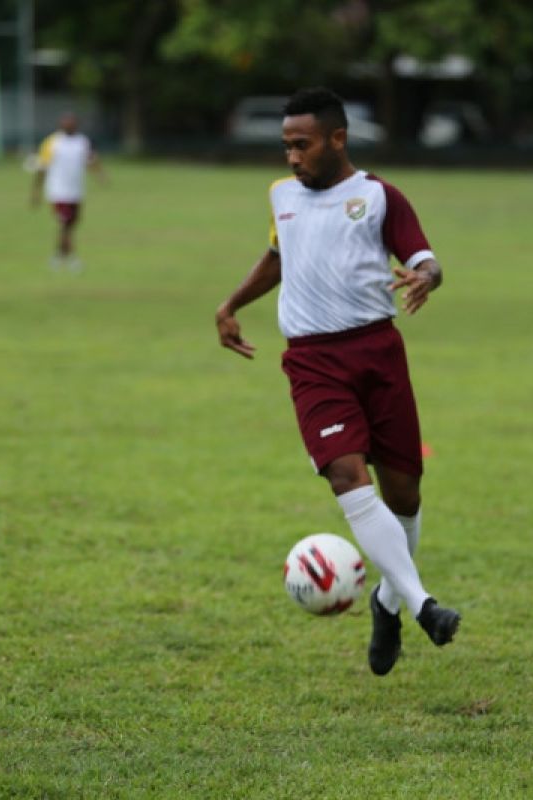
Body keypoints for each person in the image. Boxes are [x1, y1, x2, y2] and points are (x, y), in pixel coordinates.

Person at [215, 87, 461, 675]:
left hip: (378, 353)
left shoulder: (378, 197)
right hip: (313, 361)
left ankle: (386, 601)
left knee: (404, 495)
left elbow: (425, 258)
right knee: (347, 475)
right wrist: (230, 304)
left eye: (302, 145)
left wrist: (429, 276)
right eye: (286, 146)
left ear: (337, 140)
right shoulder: (282, 196)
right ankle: (423, 604)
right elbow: (278, 256)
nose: (292, 157)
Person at [30, 112, 104, 271]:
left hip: (76, 191)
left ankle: (58, 256)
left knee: (70, 225)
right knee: (64, 224)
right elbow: (42, 167)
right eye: (65, 122)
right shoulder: (52, 143)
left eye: (71, 122)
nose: (68, 125)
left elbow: (90, 160)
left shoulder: (82, 142)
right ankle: (72, 259)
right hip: (58, 191)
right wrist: (36, 191)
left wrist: (99, 174)